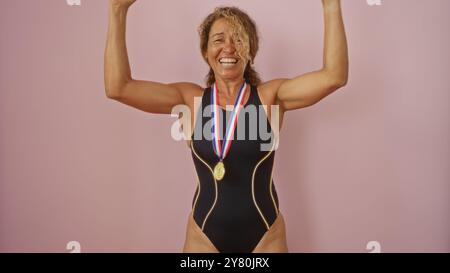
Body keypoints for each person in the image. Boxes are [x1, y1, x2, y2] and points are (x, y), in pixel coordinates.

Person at [104, 0, 348, 253]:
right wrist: (117, 11)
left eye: (239, 40)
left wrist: (331, 5)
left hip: (265, 236)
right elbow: (118, 88)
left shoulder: (270, 97)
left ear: (251, 50)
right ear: (205, 51)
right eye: (219, 40)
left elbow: (334, 76)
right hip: (204, 236)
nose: (229, 48)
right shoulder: (191, 100)